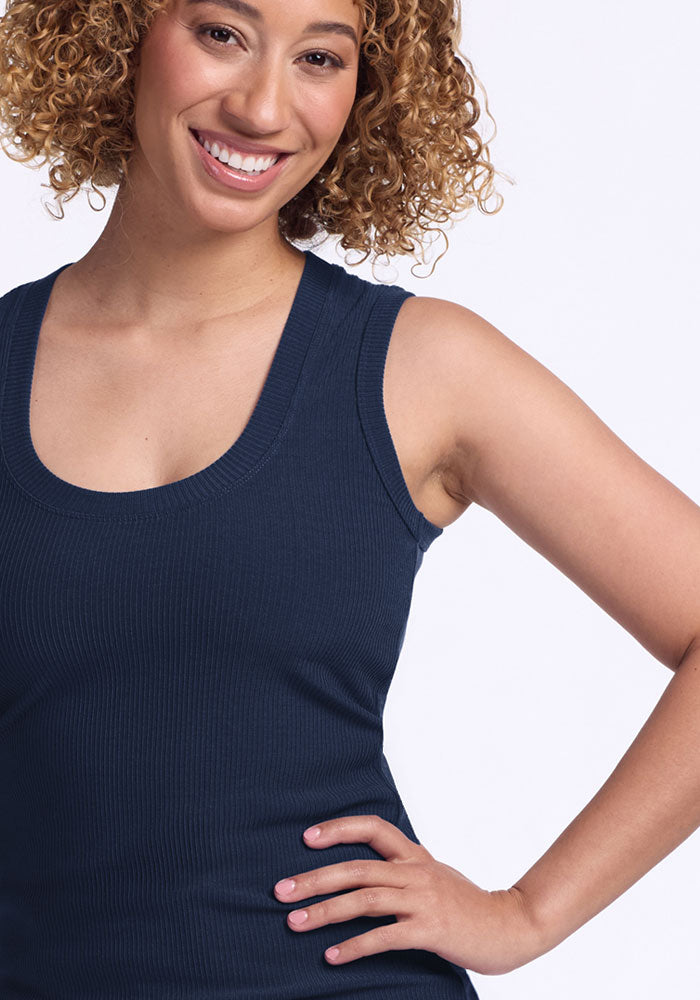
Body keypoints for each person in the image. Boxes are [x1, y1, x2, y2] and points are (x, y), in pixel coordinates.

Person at [0, 0, 699, 998]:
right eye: (221, 33)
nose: (263, 105)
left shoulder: (420, 368)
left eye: (320, 56)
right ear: (117, 31)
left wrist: (526, 913)